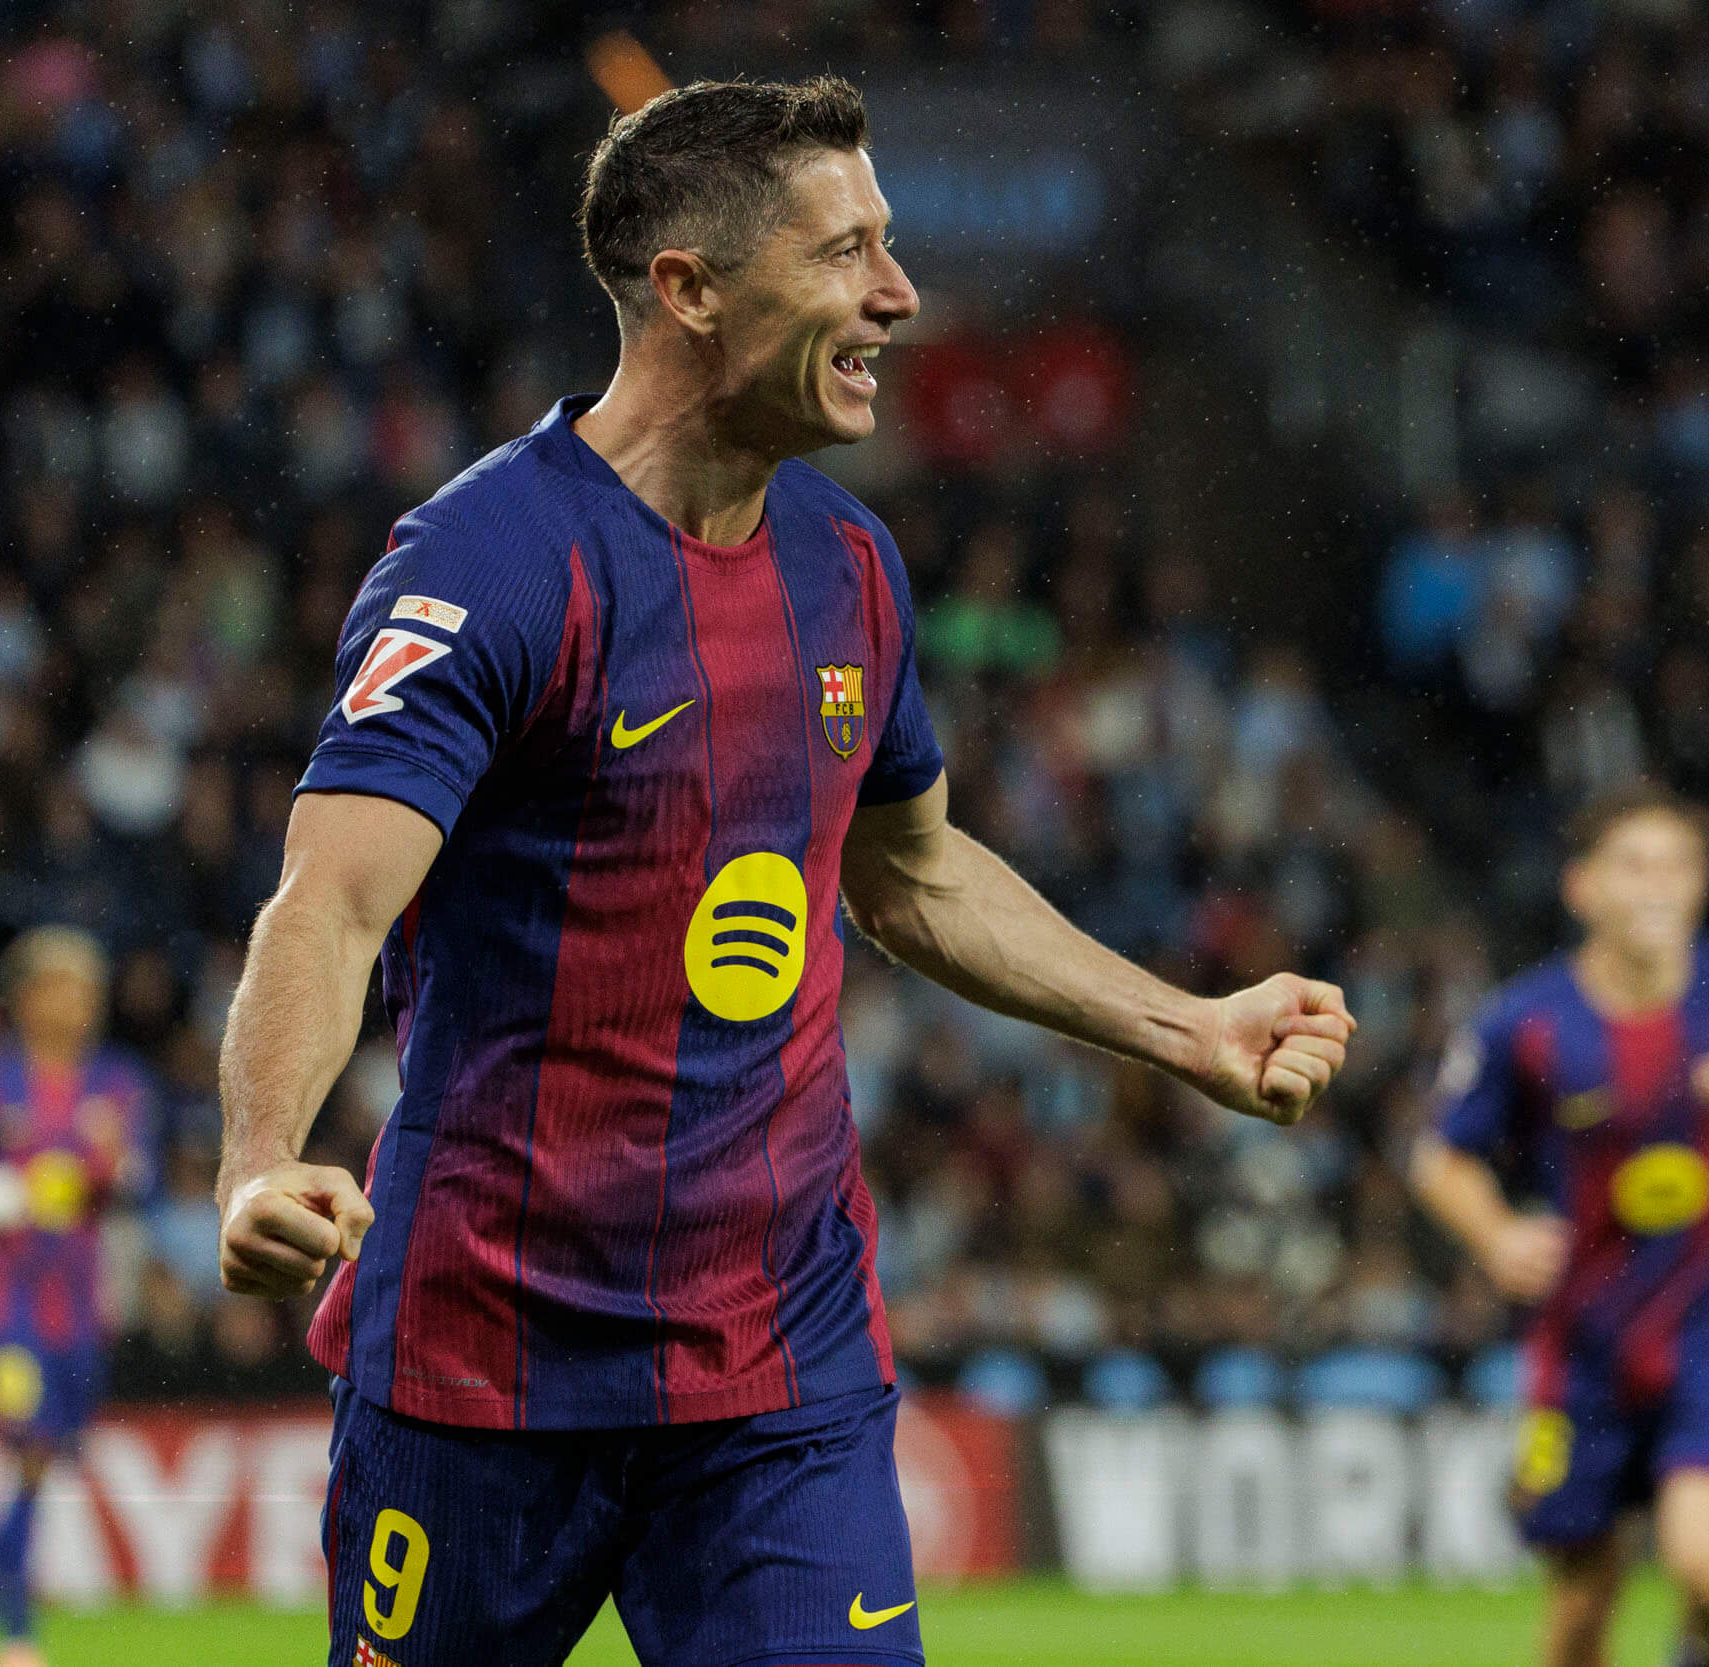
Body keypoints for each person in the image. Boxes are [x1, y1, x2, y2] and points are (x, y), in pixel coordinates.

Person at [214, 76, 1353, 1667]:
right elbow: (331, 901)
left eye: (888, 243)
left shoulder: (849, 562)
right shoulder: (485, 566)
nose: (899, 292)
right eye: (845, 252)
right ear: (691, 286)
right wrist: (260, 1157)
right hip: (486, 1358)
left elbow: (914, 872)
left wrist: (1190, 1024)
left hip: (777, 1362)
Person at [1410, 783, 1709, 1667]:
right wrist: (1495, 1233)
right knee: (1582, 1608)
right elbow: (1439, 1155)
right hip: (1584, 1341)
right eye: (1635, 866)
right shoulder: (1526, 1022)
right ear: (1583, 887)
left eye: (1677, 866)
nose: (1658, 886)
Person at [0, 927, 155, 1667]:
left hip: (81, 1305)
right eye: (62, 988)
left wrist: (109, 1172)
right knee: (25, 1443)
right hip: (5, 1302)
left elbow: (139, 1180)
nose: (78, 1005)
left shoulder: (119, 1084)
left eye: (87, 991)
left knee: (39, 1460)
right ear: (24, 997)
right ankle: (18, 1637)